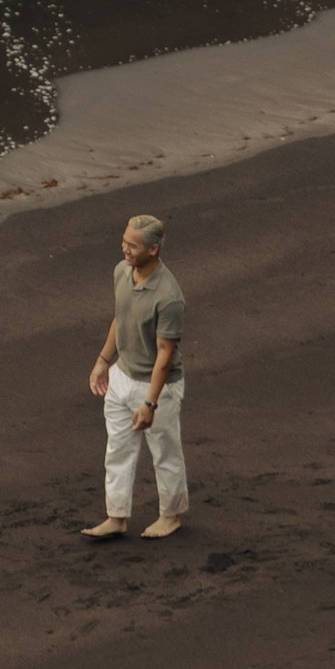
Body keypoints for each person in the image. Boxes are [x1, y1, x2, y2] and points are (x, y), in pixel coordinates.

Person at [84, 211, 188, 541]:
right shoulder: (121, 272)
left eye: (132, 245)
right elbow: (120, 317)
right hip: (121, 376)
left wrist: (150, 404)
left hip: (158, 387)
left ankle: (169, 516)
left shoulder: (169, 297)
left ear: (153, 249)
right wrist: (103, 361)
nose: (124, 249)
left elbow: (164, 355)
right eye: (123, 242)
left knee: (165, 454)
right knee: (117, 449)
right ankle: (116, 516)